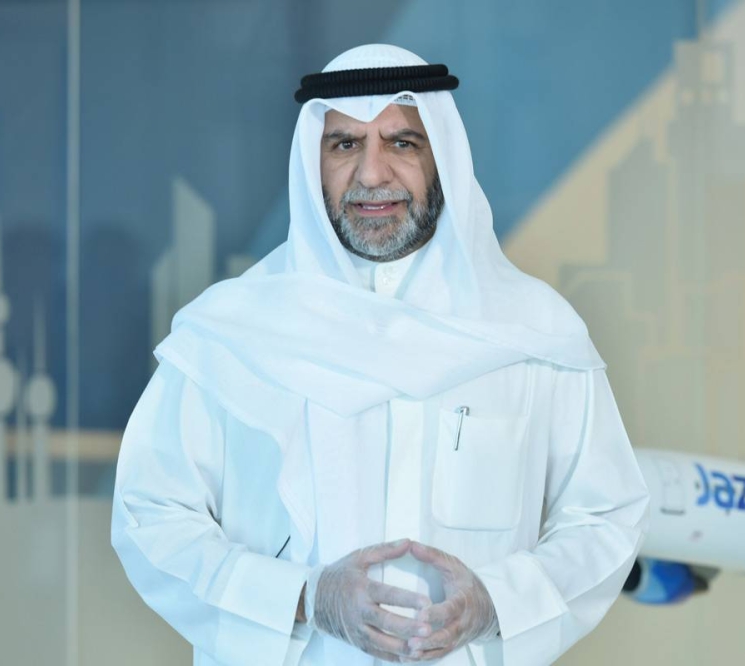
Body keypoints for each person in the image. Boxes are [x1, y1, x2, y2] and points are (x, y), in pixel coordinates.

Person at [112, 44, 650, 666]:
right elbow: (150, 517)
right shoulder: (231, 334)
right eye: (345, 144)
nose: (372, 174)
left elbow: (605, 518)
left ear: (442, 158)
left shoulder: (533, 332)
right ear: (312, 162)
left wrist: (499, 604)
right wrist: (304, 599)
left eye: (402, 143)